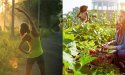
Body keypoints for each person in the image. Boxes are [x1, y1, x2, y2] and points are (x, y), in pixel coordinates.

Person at [16, 8, 45, 75]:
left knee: (27, 73)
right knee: (43, 73)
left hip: (31, 56)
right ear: (28, 27)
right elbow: (30, 19)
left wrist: (27, 52)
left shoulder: (26, 37)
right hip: (40, 54)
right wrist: (23, 11)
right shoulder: (34, 31)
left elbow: (19, 47)